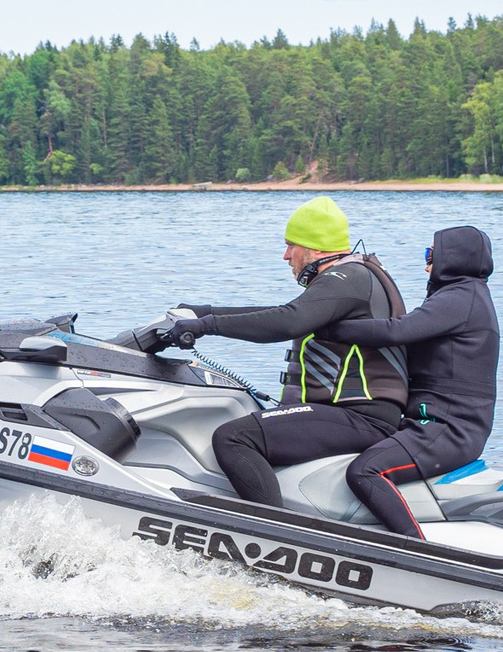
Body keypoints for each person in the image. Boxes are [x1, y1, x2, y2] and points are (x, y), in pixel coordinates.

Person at [136, 196, 409, 507]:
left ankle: (271, 527)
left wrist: (206, 325)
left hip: (361, 417)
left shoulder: (350, 277)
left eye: (291, 246)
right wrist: (204, 312)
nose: (286, 256)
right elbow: (281, 312)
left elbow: (288, 321)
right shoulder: (349, 278)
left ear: (316, 248)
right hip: (349, 414)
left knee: (234, 438)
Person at [323, 225, 499, 537]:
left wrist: (327, 327)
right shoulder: (465, 296)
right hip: (434, 422)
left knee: (365, 471)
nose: (426, 264)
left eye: (431, 254)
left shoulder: (462, 297)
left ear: (454, 258)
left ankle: (417, 549)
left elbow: (397, 330)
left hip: (448, 428)